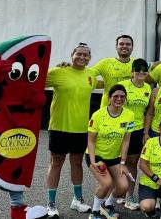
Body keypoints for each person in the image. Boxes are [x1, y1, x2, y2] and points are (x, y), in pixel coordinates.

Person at [45, 43, 98, 217]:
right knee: (56, 162)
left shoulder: (91, 75)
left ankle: (77, 200)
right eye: (79, 54)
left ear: (90, 58)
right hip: (59, 127)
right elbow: (34, 81)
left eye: (86, 55)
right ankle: (51, 203)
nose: (82, 57)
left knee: (77, 162)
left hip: (81, 128)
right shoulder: (58, 72)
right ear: (72, 55)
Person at [86, 84, 134, 219]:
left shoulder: (129, 115)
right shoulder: (98, 115)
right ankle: (95, 212)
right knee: (106, 183)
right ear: (109, 98)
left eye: (122, 96)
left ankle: (107, 205)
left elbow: (126, 141)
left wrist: (123, 162)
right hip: (97, 155)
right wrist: (93, 161)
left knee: (124, 186)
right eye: (116, 96)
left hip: (114, 157)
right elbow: (91, 141)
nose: (119, 99)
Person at [116, 59, 153, 210]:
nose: (141, 72)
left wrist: (145, 132)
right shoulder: (124, 85)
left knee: (132, 163)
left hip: (137, 130)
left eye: (144, 69)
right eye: (137, 69)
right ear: (132, 71)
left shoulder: (148, 88)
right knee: (116, 163)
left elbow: (148, 112)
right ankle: (117, 192)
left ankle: (129, 197)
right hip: (122, 129)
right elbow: (114, 106)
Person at [93, 34, 135, 108]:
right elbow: (88, 73)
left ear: (132, 47)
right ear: (116, 47)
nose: (125, 46)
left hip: (129, 109)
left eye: (128, 44)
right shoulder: (105, 63)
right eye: (121, 44)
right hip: (108, 109)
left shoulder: (136, 63)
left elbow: (152, 66)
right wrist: (72, 67)